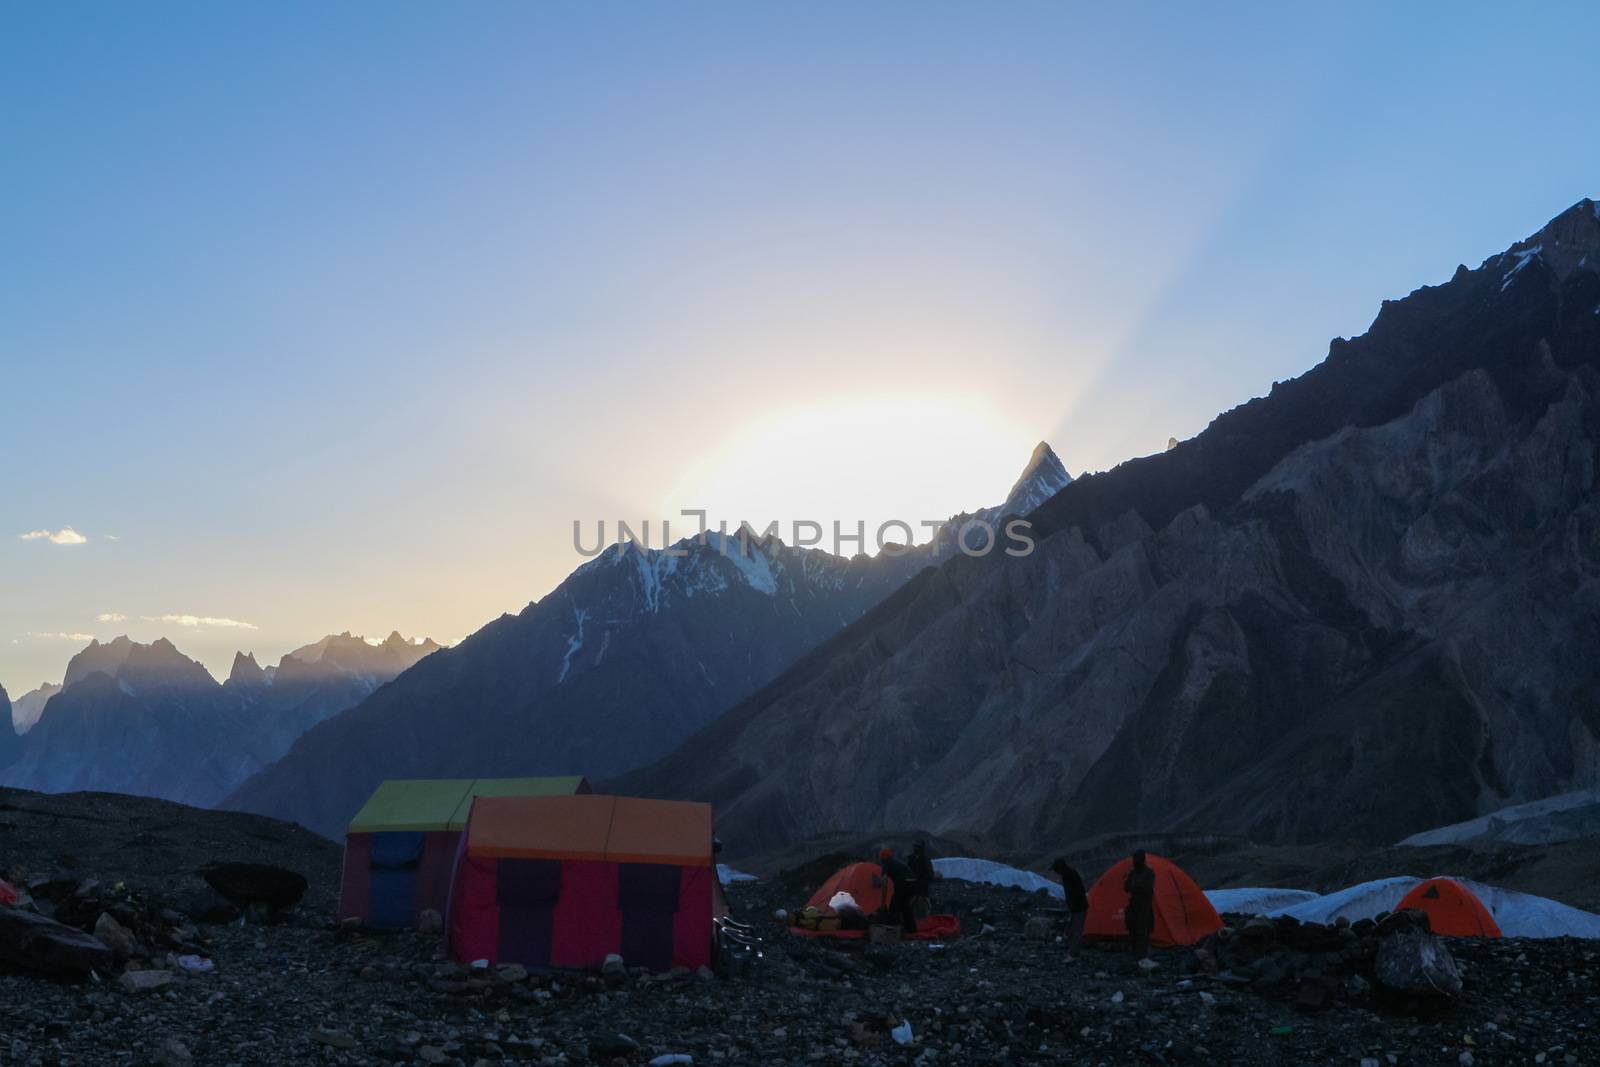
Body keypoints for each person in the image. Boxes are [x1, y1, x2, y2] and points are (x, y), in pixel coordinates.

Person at [1050, 858, 1089, 958]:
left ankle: (1072, 954)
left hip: (1078, 907)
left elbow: (1075, 893)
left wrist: (1073, 906)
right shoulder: (1070, 874)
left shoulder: (1068, 876)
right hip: (1077, 906)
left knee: (1076, 930)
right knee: (1073, 929)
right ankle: (1073, 951)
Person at [1122, 850, 1156, 959]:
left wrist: (1134, 887)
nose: (1134, 861)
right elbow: (1126, 887)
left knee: (1142, 928)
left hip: (1144, 905)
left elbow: (1146, 888)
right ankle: (1134, 950)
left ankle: (1141, 953)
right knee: (1132, 926)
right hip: (1134, 903)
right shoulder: (1132, 873)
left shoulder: (1149, 873)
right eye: (1134, 859)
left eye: (1136, 859)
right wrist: (1136, 887)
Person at [877, 847, 918, 934]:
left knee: (894, 906)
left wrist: (883, 901)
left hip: (904, 884)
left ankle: (893, 929)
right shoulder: (895, 861)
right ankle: (911, 929)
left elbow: (884, 882)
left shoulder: (887, 864)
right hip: (912, 883)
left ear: (883, 857)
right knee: (905, 906)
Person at [907, 840, 936, 919]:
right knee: (912, 904)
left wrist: (922, 882)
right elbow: (908, 870)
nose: (915, 848)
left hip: (922, 887)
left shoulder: (925, 860)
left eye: (917, 847)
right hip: (912, 886)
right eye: (915, 846)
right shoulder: (911, 858)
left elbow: (930, 874)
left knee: (923, 905)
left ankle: (924, 919)